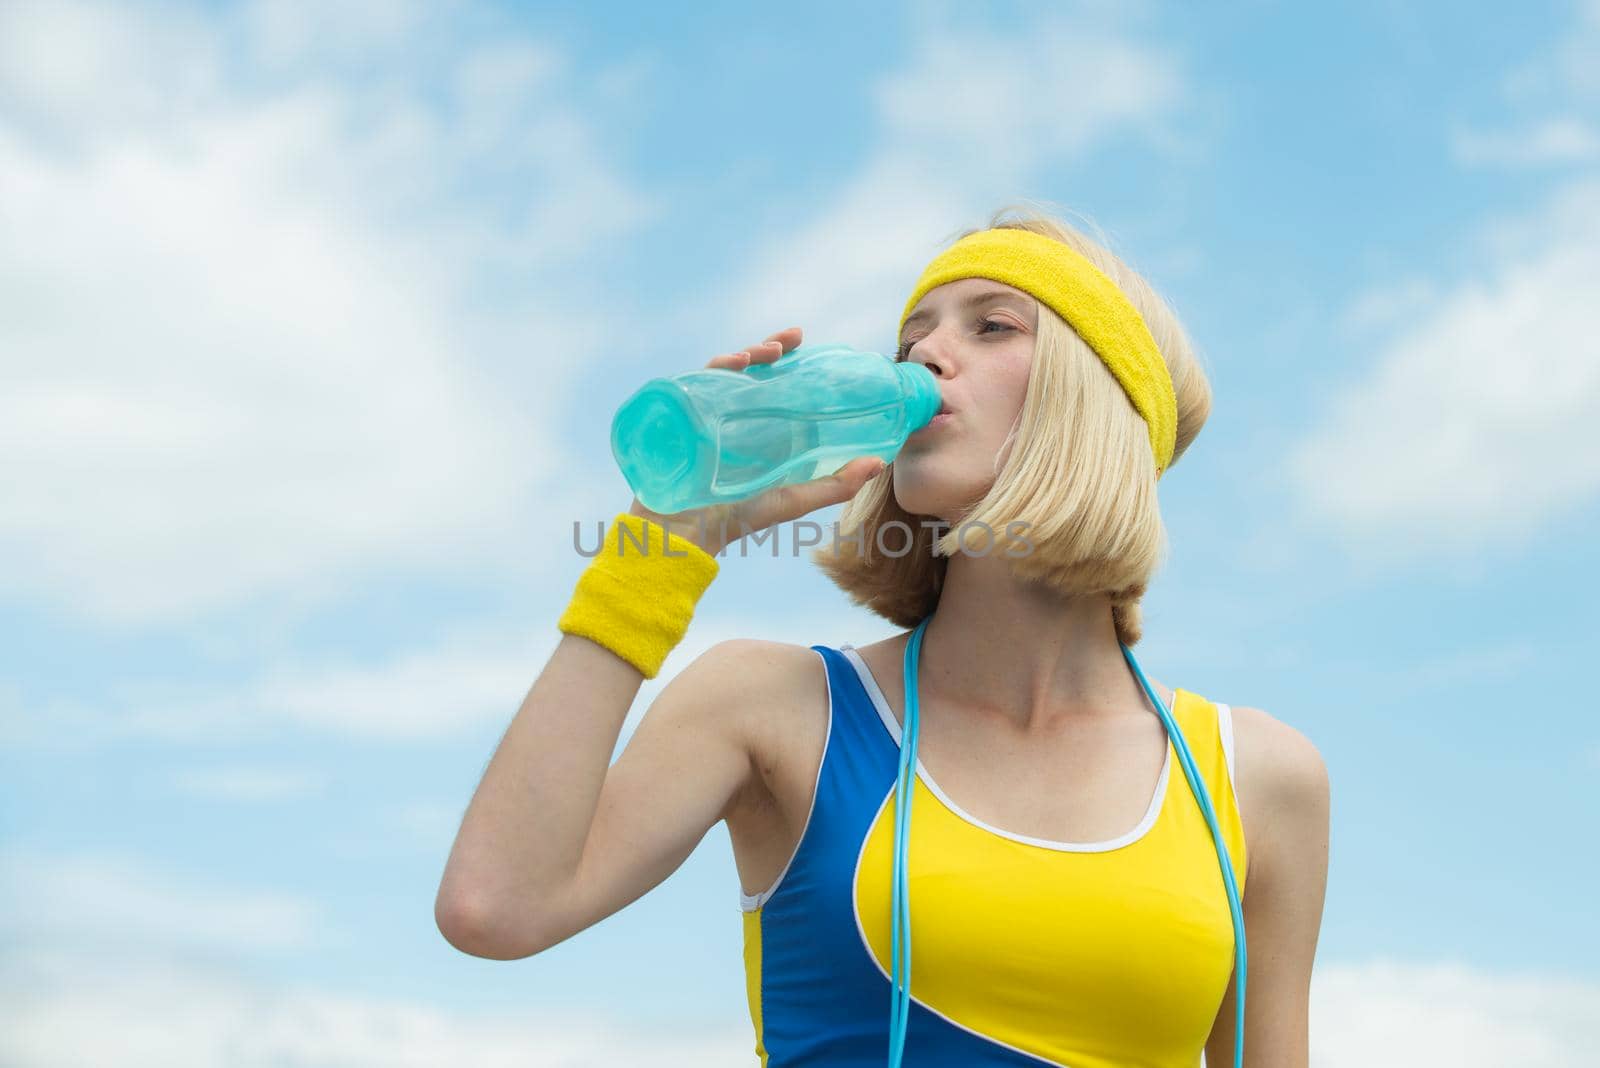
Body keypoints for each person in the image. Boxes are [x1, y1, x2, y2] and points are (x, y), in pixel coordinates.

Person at [435, 203, 1331, 1068]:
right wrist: (660, 550)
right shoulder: (775, 708)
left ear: (1096, 398)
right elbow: (495, 908)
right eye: (912, 338)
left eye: (992, 327)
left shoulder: (1258, 778)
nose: (927, 353)